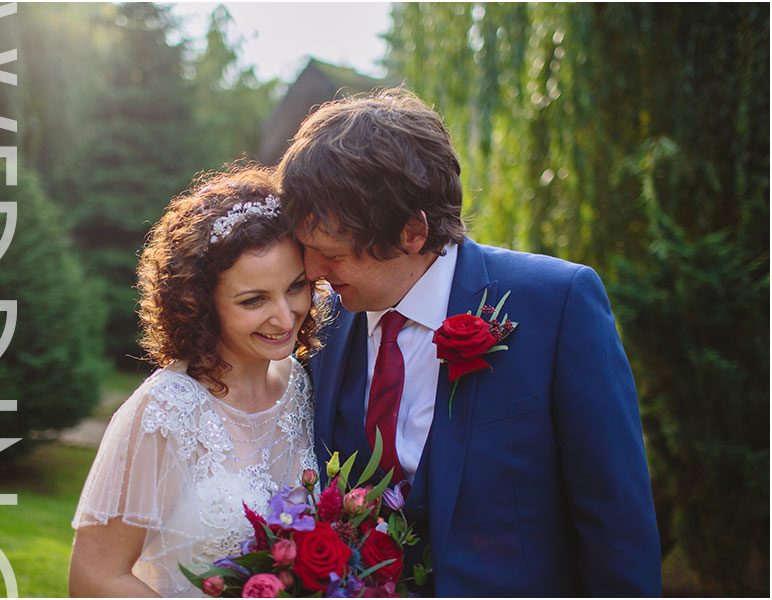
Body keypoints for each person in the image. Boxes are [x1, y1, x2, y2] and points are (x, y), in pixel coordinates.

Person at [276, 88, 662, 596]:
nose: (313, 272)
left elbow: (616, 522)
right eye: (308, 250)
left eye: (332, 253)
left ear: (413, 233)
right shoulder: (324, 322)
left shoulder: (557, 304)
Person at [69, 168, 326, 597]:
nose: (285, 317)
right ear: (201, 305)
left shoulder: (302, 384)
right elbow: (94, 577)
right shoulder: (164, 410)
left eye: (296, 287)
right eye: (254, 300)